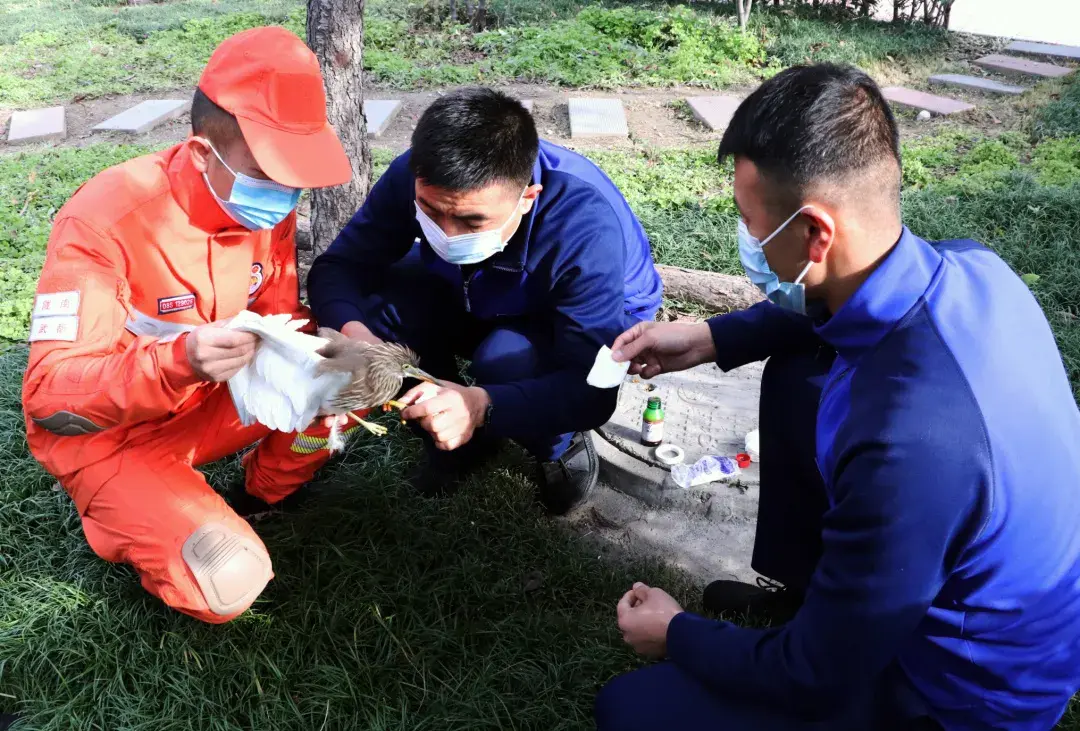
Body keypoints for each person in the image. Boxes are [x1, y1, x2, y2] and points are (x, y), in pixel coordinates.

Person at [595, 63, 1080, 730]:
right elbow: (822, 310)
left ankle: (820, 624)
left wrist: (675, 632)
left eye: (749, 221)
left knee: (631, 709)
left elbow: (813, 676)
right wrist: (709, 336)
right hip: (955, 595)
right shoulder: (976, 271)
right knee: (799, 369)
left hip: (957, 697)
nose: (747, 239)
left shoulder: (910, 441)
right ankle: (810, 600)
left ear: (816, 232)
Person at [21, 27, 360, 623]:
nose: (287, 196)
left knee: (344, 388)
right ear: (204, 152)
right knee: (228, 582)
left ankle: (265, 494)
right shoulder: (103, 221)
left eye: (295, 176)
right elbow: (49, 399)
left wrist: (316, 351)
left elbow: (277, 312)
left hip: (215, 400)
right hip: (114, 436)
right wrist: (177, 361)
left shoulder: (256, 202)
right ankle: (115, 509)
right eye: (272, 175)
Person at [307, 87, 663, 514]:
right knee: (376, 311)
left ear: (527, 199)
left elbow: (592, 390)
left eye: (471, 220)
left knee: (506, 361)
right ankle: (447, 429)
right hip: (474, 287)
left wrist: (483, 404)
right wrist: (356, 336)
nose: (447, 234)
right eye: (431, 211)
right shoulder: (417, 174)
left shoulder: (582, 222)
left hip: (578, 313)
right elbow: (339, 267)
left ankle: (557, 446)